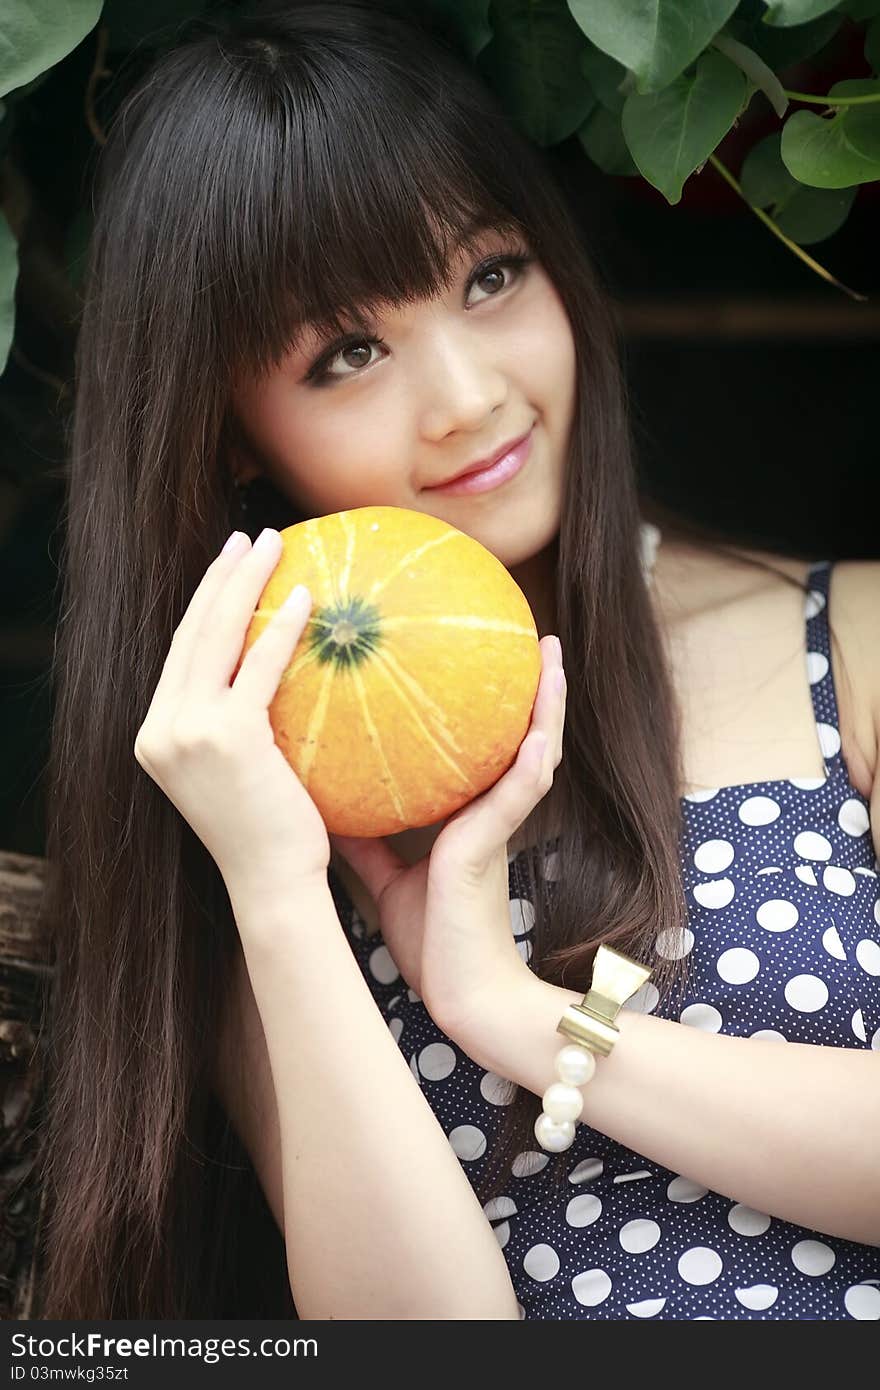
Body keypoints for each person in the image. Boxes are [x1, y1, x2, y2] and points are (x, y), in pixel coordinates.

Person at [35, 0, 879, 1321]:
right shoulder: (237, 811)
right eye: (348, 352)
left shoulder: (853, 640)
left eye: (490, 275)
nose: (469, 394)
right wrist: (274, 885)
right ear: (229, 430)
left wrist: (515, 1013)